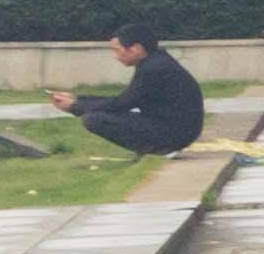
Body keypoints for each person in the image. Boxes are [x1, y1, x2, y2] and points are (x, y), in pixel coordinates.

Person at [66, 26, 207, 158]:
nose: (115, 56)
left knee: (94, 119)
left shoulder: (153, 68)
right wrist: (78, 100)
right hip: (176, 127)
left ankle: (158, 151)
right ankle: (156, 150)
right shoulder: (156, 61)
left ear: (136, 49)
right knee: (100, 115)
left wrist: (76, 106)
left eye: (117, 50)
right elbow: (124, 100)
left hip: (174, 132)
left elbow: (123, 103)